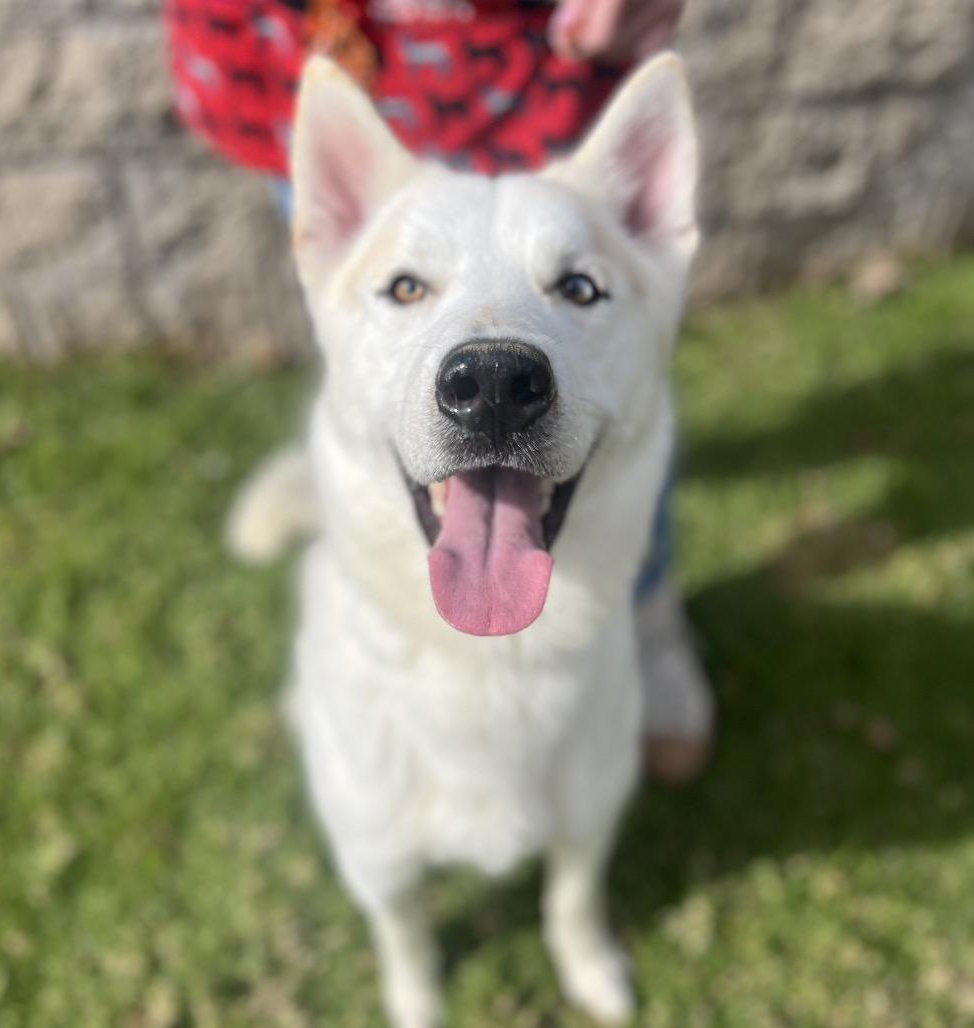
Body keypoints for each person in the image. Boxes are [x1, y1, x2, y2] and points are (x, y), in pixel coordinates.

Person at [162, 0, 713, 782]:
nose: (493, 370)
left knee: (620, 439)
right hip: (311, 32)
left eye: (577, 287)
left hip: (541, 45)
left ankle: (648, 619)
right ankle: (354, 672)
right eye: (411, 287)